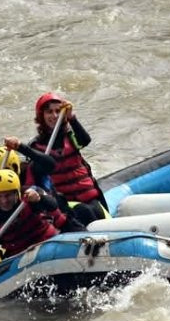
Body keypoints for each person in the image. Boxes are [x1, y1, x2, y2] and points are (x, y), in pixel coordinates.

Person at [27, 93, 109, 225]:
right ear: (41, 116)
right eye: (49, 112)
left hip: (88, 196)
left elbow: (85, 140)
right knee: (85, 212)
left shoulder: (70, 136)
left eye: (58, 111)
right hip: (64, 201)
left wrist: (71, 117)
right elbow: (35, 179)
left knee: (97, 213)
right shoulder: (36, 146)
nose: (54, 116)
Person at [0, 145, 86, 233]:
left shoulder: (33, 170)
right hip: (33, 228)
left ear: (13, 166)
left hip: (57, 211)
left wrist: (20, 146)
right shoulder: (1, 195)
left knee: (86, 211)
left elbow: (51, 164)